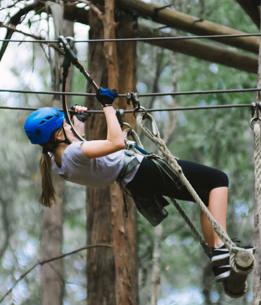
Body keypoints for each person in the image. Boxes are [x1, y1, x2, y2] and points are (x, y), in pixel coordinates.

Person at [24, 87, 233, 282]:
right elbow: (116, 143)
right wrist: (107, 105)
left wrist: (78, 121)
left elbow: (76, 145)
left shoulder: (56, 162)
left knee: (207, 195)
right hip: (142, 171)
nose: (69, 126)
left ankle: (219, 257)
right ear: (59, 135)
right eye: (65, 125)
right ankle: (221, 247)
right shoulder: (73, 153)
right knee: (218, 179)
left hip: (135, 180)